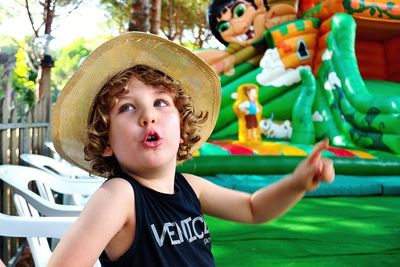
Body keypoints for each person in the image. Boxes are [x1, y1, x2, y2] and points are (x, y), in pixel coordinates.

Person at [48, 32, 334, 266]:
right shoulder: (119, 197)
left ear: (183, 130)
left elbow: (253, 208)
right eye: (127, 107)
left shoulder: (190, 187)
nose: (148, 116)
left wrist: (296, 183)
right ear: (106, 142)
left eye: (160, 102)